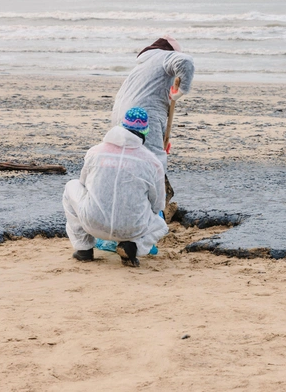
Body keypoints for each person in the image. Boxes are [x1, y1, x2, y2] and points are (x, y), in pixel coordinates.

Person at [62, 107, 167, 267]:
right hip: (132, 230)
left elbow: (83, 185)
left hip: (93, 223)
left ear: (122, 127)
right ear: (145, 133)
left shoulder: (95, 152)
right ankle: (133, 247)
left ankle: (84, 248)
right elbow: (158, 205)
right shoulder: (152, 162)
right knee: (161, 225)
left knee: (72, 186)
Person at [111, 36, 195, 171]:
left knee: (128, 156)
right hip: (144, 113)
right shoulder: (165, 56)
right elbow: (185, 61)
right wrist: (181, 91)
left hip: (121, 113)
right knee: (154, 159)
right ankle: (156, 189)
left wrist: (163, 137)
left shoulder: (144, 64)